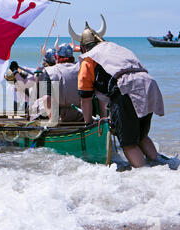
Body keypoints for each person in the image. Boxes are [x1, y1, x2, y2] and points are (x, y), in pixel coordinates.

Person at [71, 19, 174, 171]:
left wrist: (88, 125)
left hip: (126, 88)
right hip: (149, 85)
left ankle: (148, 176)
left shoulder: (89, 59)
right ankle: (161, 165)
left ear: (84, 48)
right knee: (140, 136)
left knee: (128, 143)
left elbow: (86, 99)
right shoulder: (115, 49)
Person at [40, 43, 82, 124]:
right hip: (83, 115)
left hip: (60, 117)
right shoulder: (82, 68)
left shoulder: (49, 71)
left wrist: (52, 119)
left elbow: (46, 98)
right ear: (72, 57)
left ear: (57, 57)